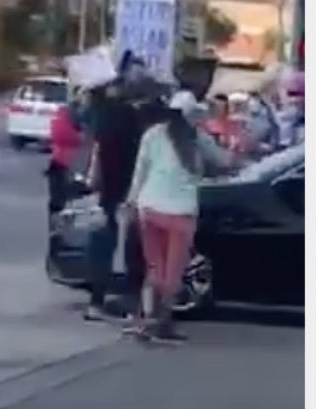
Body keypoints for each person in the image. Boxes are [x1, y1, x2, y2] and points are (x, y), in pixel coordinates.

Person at [123, 91, 232, 342]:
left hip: (149, 207)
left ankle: (146, 320)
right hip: (180, 213)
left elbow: (140, 171)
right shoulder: (197, 139)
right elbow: (224, 162)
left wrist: (130, 202)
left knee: (154, 266)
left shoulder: (152, 135)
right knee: (173, 271)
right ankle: (163, 323)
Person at [81, 52, 156, 323]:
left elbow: (96, 149)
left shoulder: (103, 112)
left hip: (110, 190)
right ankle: (128, 303)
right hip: (127, 190)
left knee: (105, 245)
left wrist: (92, 181)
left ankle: (97, 302)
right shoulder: (133, 116)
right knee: (129, 248)